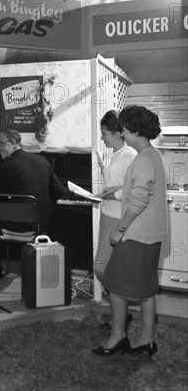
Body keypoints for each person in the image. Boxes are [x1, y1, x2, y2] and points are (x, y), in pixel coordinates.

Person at [92, 105, 167, 357]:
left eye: (124, 127)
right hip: (152, 235)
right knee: (146, 289)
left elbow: (138, 201)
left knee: (113, 284)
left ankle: (118, 336)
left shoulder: (143, 158)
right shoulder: (154, 155)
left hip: (136, 234)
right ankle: (146, 339)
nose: (121, 131)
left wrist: (119, 230)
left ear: (134, 130)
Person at [0, 129, 65, 274]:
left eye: (1, 143)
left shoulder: (6, 166)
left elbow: (0, 197)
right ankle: (31, 262)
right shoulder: (43, 161)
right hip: (41, 225)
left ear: (13, 144)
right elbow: (58, 191)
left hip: (18, 226)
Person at [94, 110, 137, 330]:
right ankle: (119, 316)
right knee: (106, 269)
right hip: (107, 214)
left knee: (102, 269)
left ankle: (121, 317)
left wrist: (112, 193)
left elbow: (134, 188)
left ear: (118, 133)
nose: (102, 137)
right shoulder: (118, 153)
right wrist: (104, 171)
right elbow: (119, 181)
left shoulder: (129, 154)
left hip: (117, 217)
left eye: (104, 133)